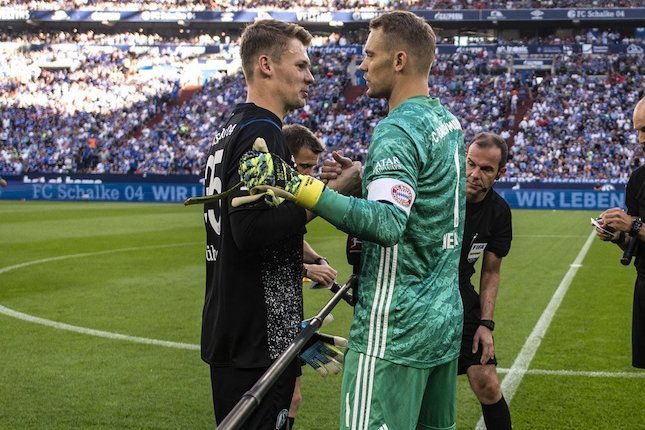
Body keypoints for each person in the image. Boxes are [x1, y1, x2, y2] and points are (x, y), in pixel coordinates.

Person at [239, 11, 465, 429]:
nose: (361, 64)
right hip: (443, 322)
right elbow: (421, 208)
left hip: (393, 328)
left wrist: (305, 189)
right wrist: (367, 177)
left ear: (398, 61)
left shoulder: (397, 129)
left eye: (368, 54)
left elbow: (387, 224)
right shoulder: (447, 123)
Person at [200, 19, 315, 429]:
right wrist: (320, 196)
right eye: (300, 66)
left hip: (237, 325)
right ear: (266, 65)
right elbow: (249, 231)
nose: (310, 76)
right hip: (257, 335)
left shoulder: (231, 127)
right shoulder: (261, 130)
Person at [283, 123, 338, 430]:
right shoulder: (269, 197)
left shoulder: (292, 194)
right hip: (264, 315)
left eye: (312, 167)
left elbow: (291, 238)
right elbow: (259, 254)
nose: (308, 175)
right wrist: (307, 270)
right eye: (303, 166)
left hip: (287, 310)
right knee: (277, 398)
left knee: (293, 397)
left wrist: (316, 258)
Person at [459, 132, 513, 429]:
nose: (474, 174)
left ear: (500, 173)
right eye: (470, 164)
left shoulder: (498, 211)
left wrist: (486, 323)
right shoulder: (438, 194)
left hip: (462, 298)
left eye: (486, 169)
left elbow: (491, 271)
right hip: (424, 298)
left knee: (488, 384)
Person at [595, 96, 645, 369]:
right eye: (638, 130)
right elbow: (636, 244)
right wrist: (617, 237)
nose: (640, 139)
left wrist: (634, 226)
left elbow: (638, 228)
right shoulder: (638, 179)